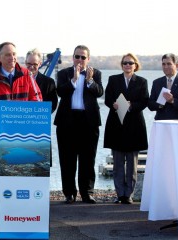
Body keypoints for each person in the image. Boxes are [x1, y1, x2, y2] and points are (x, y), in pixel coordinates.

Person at [0, 42, 43, 201]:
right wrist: (9, 116)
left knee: (23, 171)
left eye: (14, 54)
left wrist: (22, 117)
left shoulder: (27, 75)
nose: (12, 57)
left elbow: (37, 99)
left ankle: (21, 210)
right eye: (7, 54)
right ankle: (0, 210)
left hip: (24, 135)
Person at [54, 45, 104, 204]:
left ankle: (87, 192)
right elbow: (60, 92)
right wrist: (74, 80)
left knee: (88, 159)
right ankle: (69, 193)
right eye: (77, 56)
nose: (80, 60)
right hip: (67, 121)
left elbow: (99, 92)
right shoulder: (63, 73)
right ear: (73, 57)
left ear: (88, 59)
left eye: (83, 57)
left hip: (88, 121)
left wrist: (89, 80)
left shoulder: (95, 73)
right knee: (67, 159)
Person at [103, 53, 149, 204]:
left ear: (136, 65)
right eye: (125, 63)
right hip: (117, 124)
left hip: (134, 126)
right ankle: (119, 194)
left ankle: (128, 194)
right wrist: (113, 105)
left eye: (130, 63)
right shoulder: (113, 79)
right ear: (122, 65)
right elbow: (108, 98)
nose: (128, 65)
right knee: (117, 164)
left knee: (132, 164)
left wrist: (131, 106)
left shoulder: (142, 81)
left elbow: (144, 101)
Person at [25, 48, 58, 166]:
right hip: (19, 129)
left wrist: (39, 114)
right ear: (25, 63)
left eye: (34, 64)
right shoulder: (17, 79)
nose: (31, 67)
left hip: (40, 129)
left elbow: (53, 104)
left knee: (40, 165)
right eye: (29, 64)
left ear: (39, 64)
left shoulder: (49, 82)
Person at [148, 53, 178, 120]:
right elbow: (150, 105)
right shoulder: (156, 82)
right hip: (160, 122)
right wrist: (160, 104)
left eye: (169, 64)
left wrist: (172, 100)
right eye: (163, 64)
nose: (165, 67)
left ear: (177, 65)